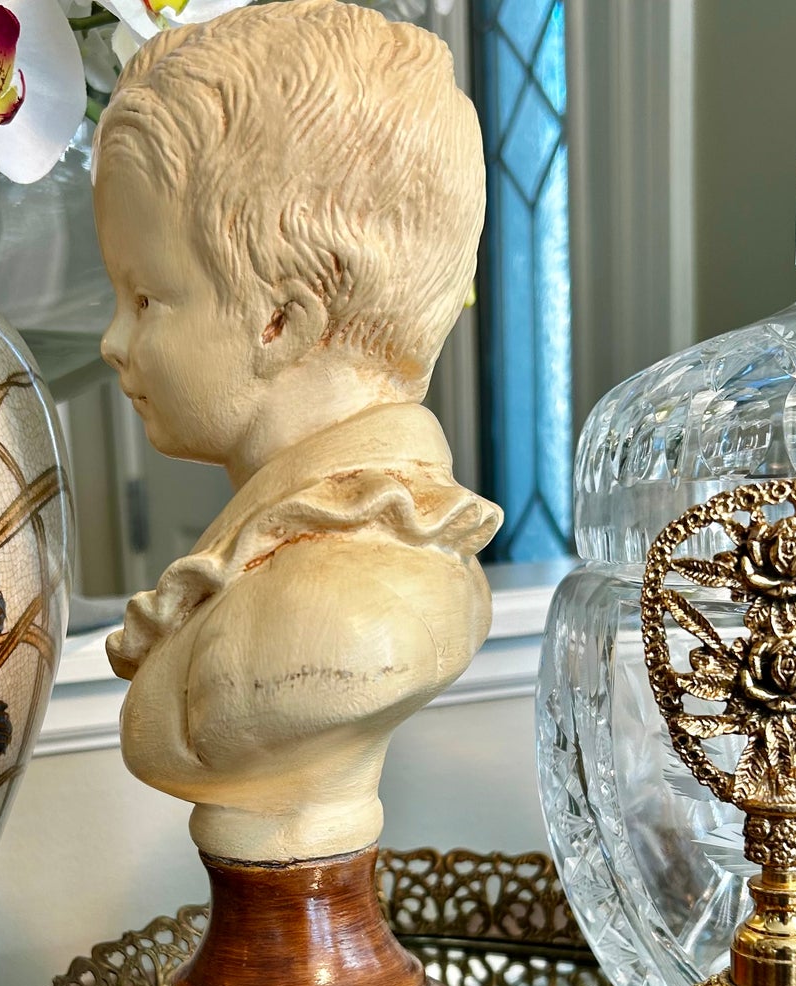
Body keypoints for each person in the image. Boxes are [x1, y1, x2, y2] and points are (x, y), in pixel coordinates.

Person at [96, 0, 501, 865]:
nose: (111, 342)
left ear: (282, 320)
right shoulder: (285, 553)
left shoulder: (352, 610)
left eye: (143, 298)